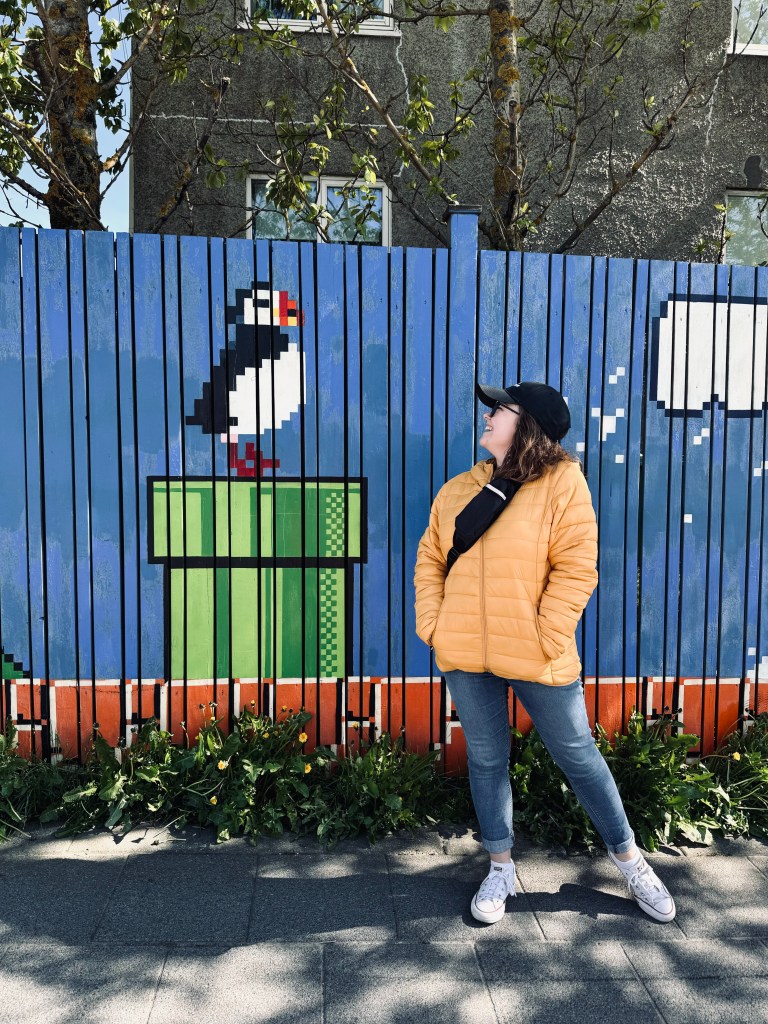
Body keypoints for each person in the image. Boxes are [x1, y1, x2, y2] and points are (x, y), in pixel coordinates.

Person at [413, 380, 676, 925]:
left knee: (578, 756)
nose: (487, 416)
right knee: (487, 759)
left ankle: (630, 861)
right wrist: (435, 626)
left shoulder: (562, 484)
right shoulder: (460, 489)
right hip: (465, 653)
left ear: (527, 423)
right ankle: (500, 866)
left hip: (538, 655)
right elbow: (430, 560)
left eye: (499, 410)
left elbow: (577, 568)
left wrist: (546, 636)